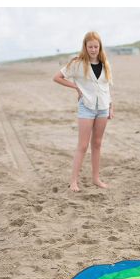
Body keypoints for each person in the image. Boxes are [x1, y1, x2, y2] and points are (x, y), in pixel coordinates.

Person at [53, 31, 114, 192]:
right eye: (90, 46)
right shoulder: (77, 63)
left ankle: (96, 178)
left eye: (96, 46)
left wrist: (110, 106)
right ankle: (73, 181)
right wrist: (75, 87)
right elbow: (57, 77)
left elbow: (106, 86)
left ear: (100, 47)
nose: (93, 49)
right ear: (85, 47)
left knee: (97, 144)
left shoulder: (105, 63)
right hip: (86, 108)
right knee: (83, 145)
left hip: (103, 108)